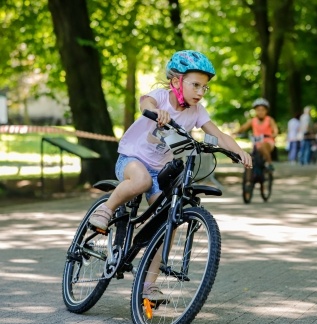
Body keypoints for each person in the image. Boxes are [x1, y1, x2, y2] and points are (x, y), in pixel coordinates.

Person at [88, 50, 252, 301]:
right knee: (140, 180)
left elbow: (217, 134)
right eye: (195, 85)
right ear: (176, 82)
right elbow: (146, 103)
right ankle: (106, 210)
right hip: (132, 159)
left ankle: (149, 285)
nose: (200, 91)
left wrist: (238, 150)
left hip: (158, 171)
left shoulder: (196, 111)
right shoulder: (161, 98)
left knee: (168, 221)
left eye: (204, 87)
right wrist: (156, 112)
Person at [235, 98, 279, 171]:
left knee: (263, 146)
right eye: (258, 110)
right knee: (249, 158)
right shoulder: (253, 120)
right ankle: (248, 178)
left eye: (263, 110)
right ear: (255, 111)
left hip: (268, 141)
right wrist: (236, 132)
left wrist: (274, 134)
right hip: (256, 142)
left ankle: (269, 163)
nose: (260, 112)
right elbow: (243, 127)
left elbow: (275, 128)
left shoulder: (269, 119)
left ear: (266, 111)